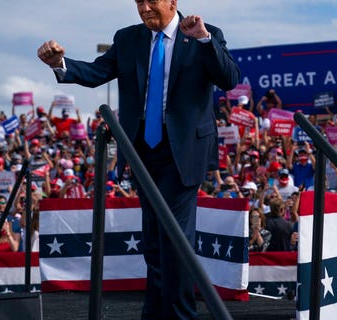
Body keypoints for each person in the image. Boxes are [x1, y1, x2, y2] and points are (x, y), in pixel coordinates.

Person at [37, 1, 240, 318]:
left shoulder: (206, 34)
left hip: (183, 151)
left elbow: (229, 78)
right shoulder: (128, 38)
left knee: (174, 238)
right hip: (141, 150)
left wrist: (203, 39)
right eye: (138, 2)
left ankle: (181, 314)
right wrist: (60, 63)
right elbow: (96, 73)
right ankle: (156, 312)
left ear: (172, 2)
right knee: (155, 240)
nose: (144, 8)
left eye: (151, 0)